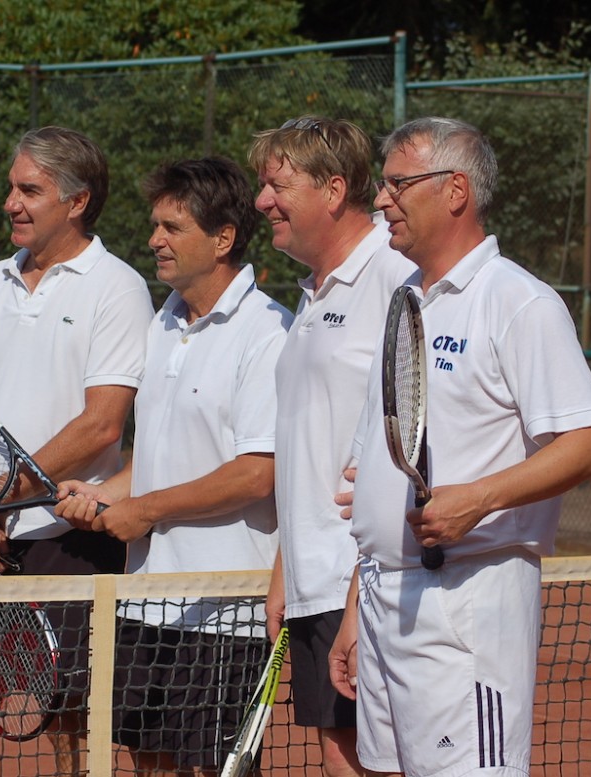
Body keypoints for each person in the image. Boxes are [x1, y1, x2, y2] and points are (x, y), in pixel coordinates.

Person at [329, 117, 591, 777]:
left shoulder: (518, 302)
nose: (380, 201)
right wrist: (356, 603)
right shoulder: (406, 301)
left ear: (455, 190)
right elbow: (379, 465)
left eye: (398, 184)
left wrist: (478, 498)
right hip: (384, 601)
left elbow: (590, 443)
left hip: (465, 604)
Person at [53, 156, 292, 776]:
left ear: (223, 239)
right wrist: (107, 492)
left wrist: (143, 511)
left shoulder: (268, 333)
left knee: (215, 770)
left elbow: (257, 472)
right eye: (155, 224)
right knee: (150, 764)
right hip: (146, 599)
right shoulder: (163, 322)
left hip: (228, 609)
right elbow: (158, 455)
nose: (155, 240)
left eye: (172, 228)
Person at [0, 126, 154, 777]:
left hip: (72, 532)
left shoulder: (116, 288)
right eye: (11, 187)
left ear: (78, 200)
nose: (11, 201)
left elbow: (101, 424)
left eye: (29, 189)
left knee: (72, 729)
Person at [248, 116, 414, 777]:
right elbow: (313, 442)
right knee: (339, 759)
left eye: (277, 184)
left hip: (372, 581)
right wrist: (290, 562)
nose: (263, 201)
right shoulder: (311, 296)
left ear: (334, 189)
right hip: (316, 582)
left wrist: (354, 576)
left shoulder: (396, 279)